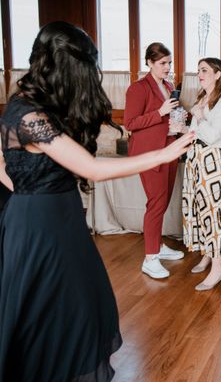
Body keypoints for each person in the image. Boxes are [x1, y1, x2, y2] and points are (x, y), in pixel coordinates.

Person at [0, 21, 194, 381]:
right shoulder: (27, 114)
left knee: (78, 304)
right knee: (48, 310)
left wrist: (27, 189)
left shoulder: (29, 107)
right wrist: (163, 154)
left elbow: (2, 166)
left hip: (58, 216)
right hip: (41, 227)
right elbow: (91, 168)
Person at [124, 42, 186, 279]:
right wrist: (159, 113)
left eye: (169, 63)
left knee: (164, 200)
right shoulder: (138, 88)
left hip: (169, 148)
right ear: (149, 62)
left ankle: (158, 246)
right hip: (150, 154)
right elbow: (130, 124)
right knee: (156, 203)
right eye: (163, 63)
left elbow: (167, 118)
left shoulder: (168, 85)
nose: (168, 67)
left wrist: (178, 117)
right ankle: (150, 258)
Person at [181, 58, 221, 291]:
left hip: (212, 160)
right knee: (198, 208)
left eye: (204, 70)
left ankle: (218, 268)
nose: (199, 74)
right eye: (198, 71)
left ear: (218, 75)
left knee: (212, 212)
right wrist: (183, 129)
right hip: (195, 159)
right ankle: (206, 253)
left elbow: (213, 135)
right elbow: (196, 132)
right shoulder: (203, 99)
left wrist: (201, 116)